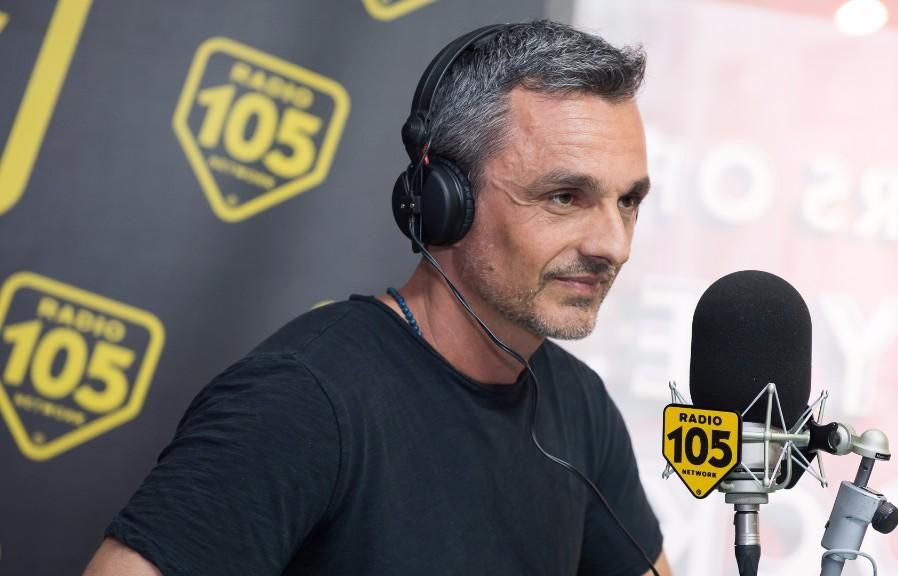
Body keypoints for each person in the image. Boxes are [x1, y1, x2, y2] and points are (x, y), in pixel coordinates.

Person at [84, 20, 670, 576]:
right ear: (444, 200)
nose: (613, 245)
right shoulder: (300, 399)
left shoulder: (580, 404)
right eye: (564, 197)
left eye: (628, 202)